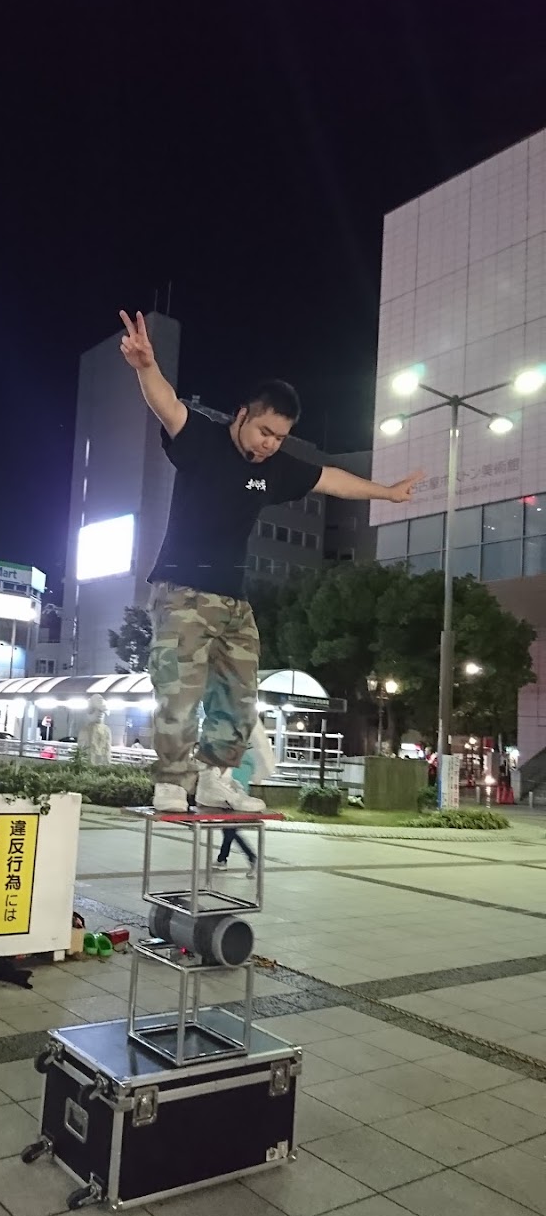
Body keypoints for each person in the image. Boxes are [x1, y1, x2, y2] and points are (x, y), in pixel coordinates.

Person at [120, 309, 423, 813]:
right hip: (181, 592)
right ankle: (172, 781)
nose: (269, 444)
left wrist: (387, 494)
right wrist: (144, 367)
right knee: (178, 691)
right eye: (264, 431)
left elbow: (329, 478)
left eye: (279, 437)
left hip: (235, 600)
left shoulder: (275, 467)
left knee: (239, 697)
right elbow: (167, 405)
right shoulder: (202, 439)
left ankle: (217, 777)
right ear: (242, 415)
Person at [216, 740, 258, 876]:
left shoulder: (232, 759)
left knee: (230, 830)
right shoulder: (249, 761)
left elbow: (226, 779)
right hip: (243, 797)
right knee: (229, 829)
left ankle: (251, 857)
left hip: (231, 797)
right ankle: (222, 859)